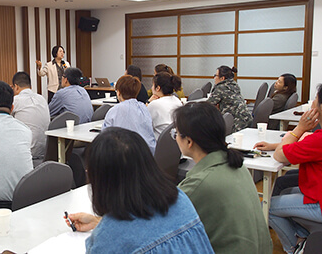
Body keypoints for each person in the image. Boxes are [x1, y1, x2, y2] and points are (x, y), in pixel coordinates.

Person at [65, 127, 214, 253]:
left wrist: (106, 228)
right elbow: (149, 229)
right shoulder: (180, 199)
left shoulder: (108, 240)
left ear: (101, 180)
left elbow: (128, 236)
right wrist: (100, 222)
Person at [174, 102, 272, 253]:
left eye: (176, 134)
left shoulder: (200, 183)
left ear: (188, 141)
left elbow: (161, 223)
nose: (175, 138)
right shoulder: (238, 166)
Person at [265, 85, 322, 253]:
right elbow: (307, 145)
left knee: (267, 206)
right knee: (285, 190)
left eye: (315, 100)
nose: (312, 105)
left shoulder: (318, 140)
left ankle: (294, 248)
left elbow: (279, 156)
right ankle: (304, 235)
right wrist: (274, 145)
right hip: (315, 191)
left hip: (318, 202)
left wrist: (299, 128)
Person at [103, 75, 156, 154]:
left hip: (126, 157)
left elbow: (104, 137)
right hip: (148, 156)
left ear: (118, 92)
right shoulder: (143, 107)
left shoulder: (115, 110)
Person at [11, 71, 50, 167]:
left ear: (16, 86)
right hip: (46, 151)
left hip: (28, 154)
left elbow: (5, 122)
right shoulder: (42, 98)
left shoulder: (15, 101)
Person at [207, 66, 252, 133]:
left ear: (222, 78)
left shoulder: (221, 88)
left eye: (215, 75)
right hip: (248, 120)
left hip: (237, 124)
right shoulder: (234, 85)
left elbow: (207, 105)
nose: (214, 78)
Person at [147, 72, 183, 140]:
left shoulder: (154, 104)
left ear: (157, 88)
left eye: (153, 85)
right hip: (176, 142)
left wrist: (148, 102)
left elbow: (144, 125)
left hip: (160, 144)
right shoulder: (177, 100)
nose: (151, 88)